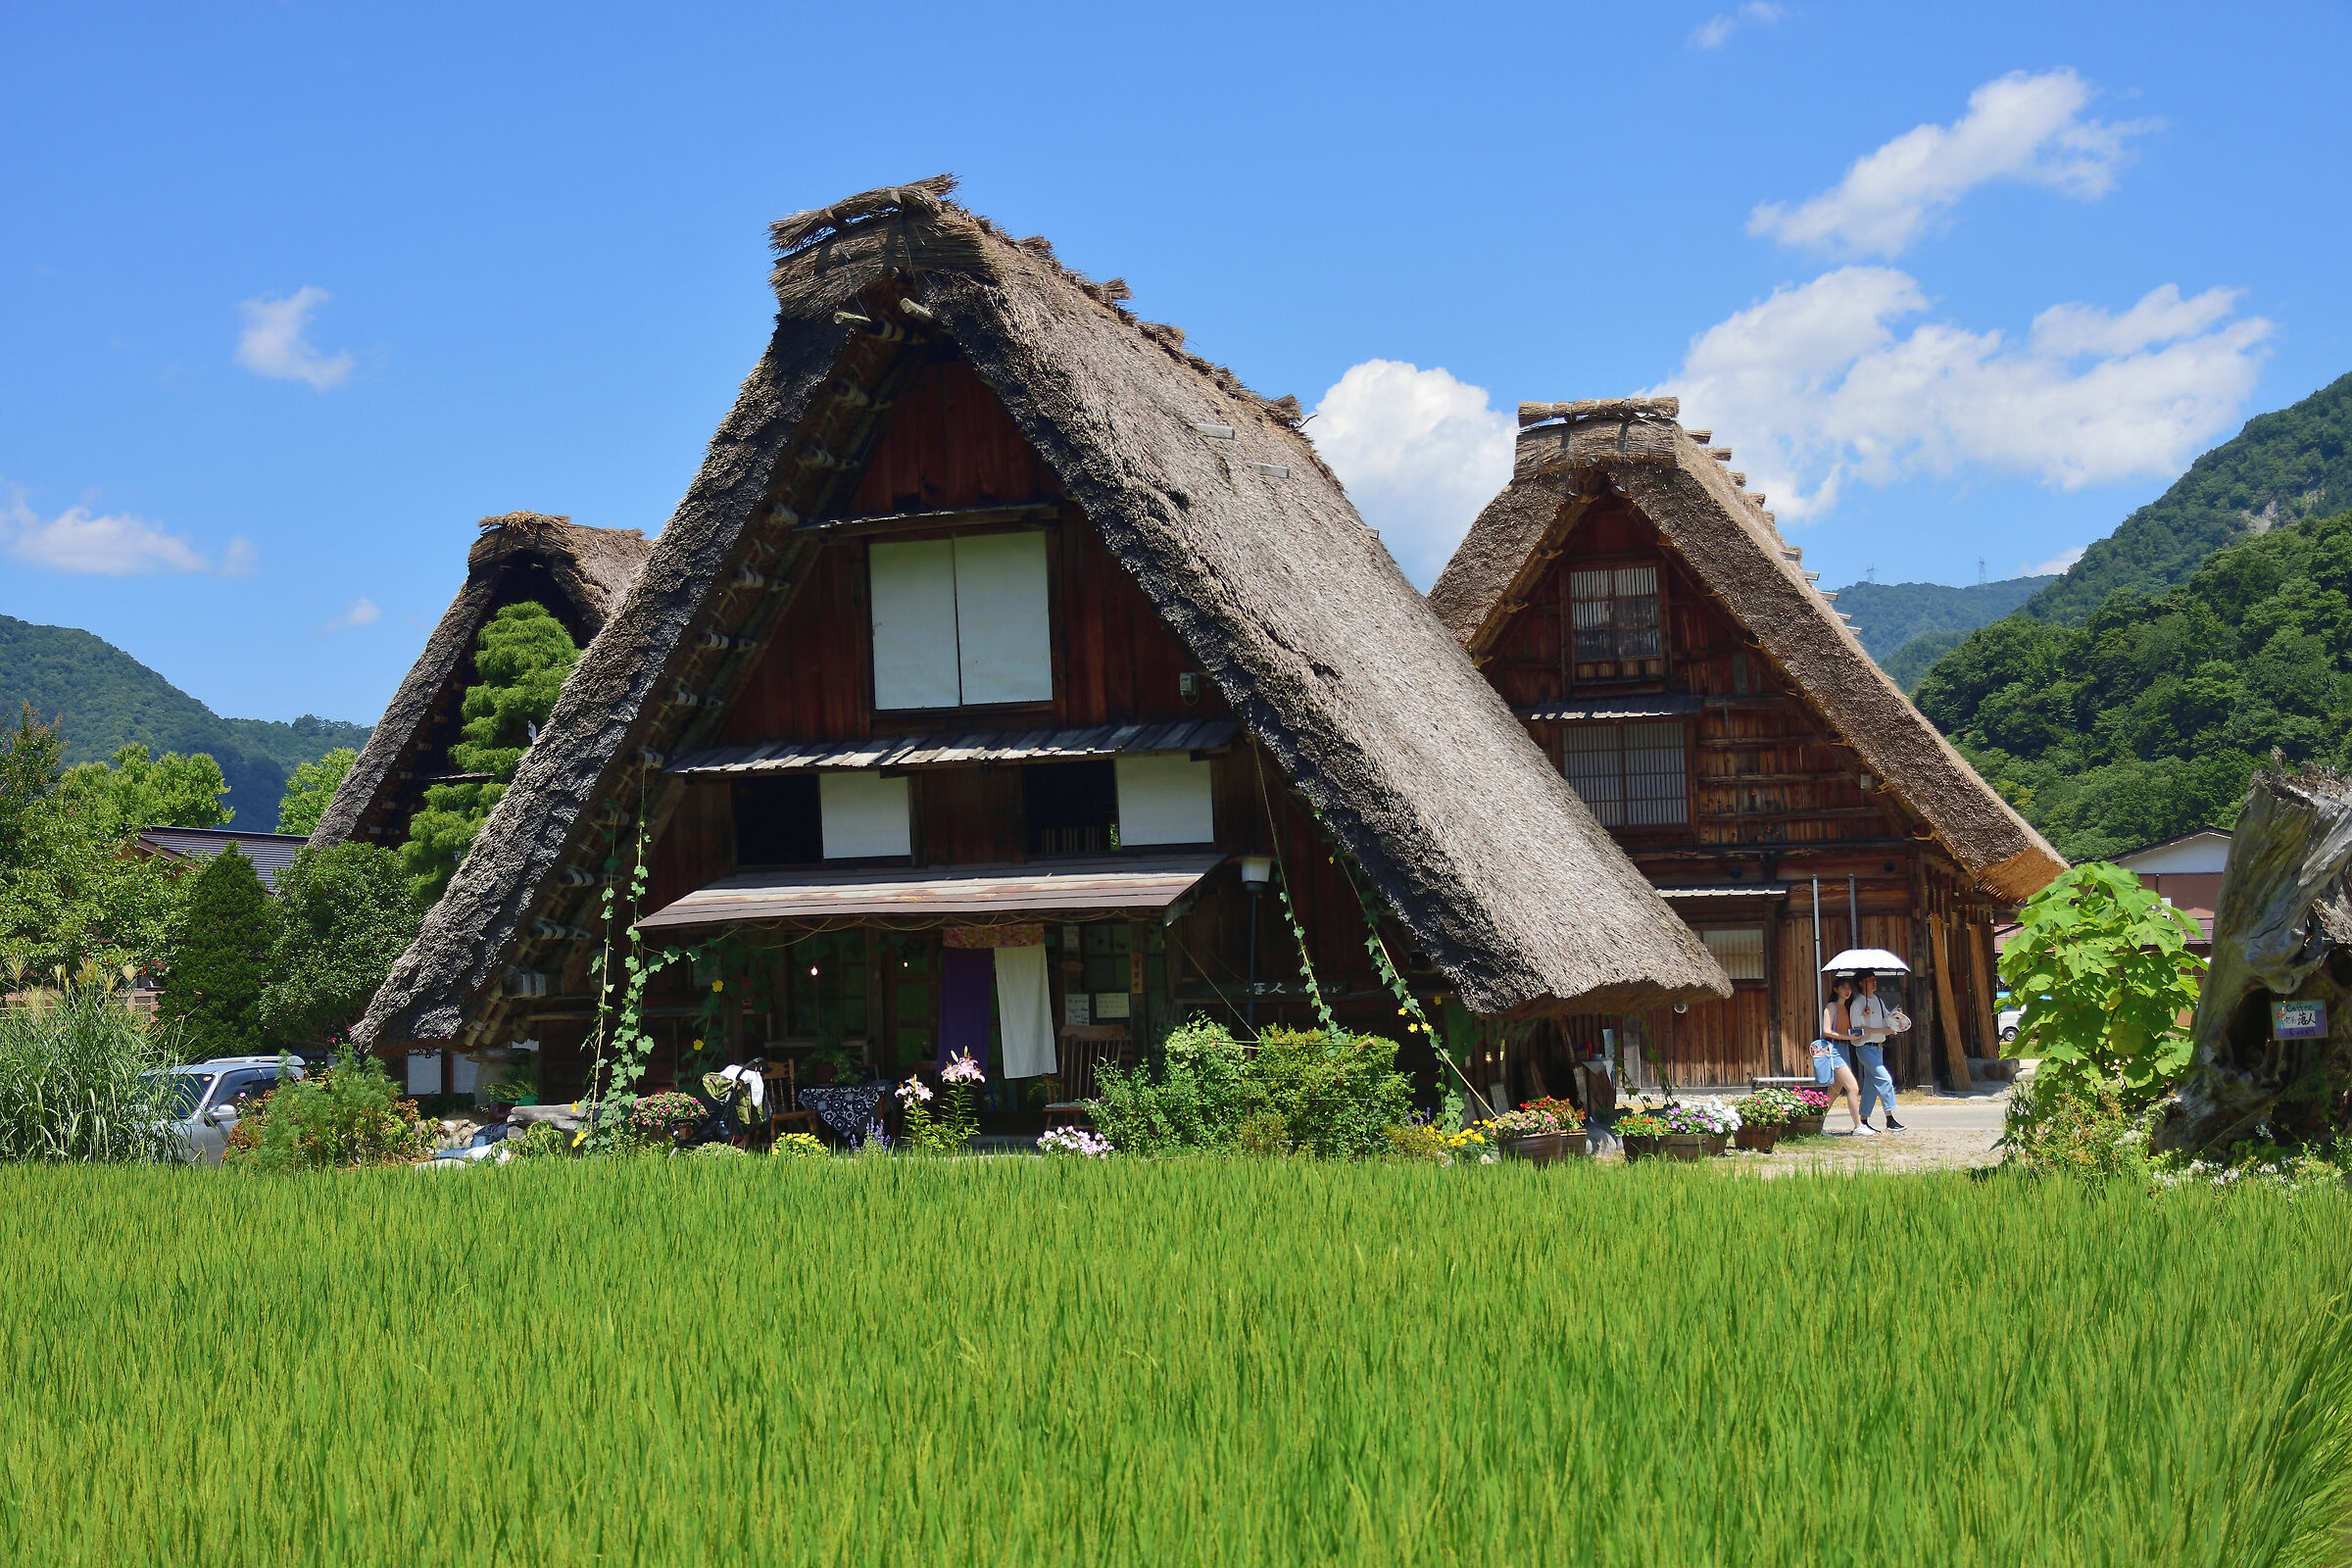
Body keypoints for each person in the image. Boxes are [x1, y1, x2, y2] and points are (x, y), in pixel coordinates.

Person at [1813, 978, 1873, 1137]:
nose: (1847, 991)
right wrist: (1848, 1038)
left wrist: (1865, 1016)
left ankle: (1816, 1125)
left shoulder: (1846, 1007)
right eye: (1843, 988)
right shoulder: (1831, 1007)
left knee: (1832, 1093)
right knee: (1853, 1088)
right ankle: (1858, 1126)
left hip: (1844, 1049)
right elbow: (1826, 1031)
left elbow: (1852, 1029)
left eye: (1849, 988)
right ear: (1835, 989)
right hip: (1834, 1050)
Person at [1848, 972, 1905, 1132]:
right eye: (1870, 980)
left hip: (1878, 1047)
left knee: (1871, 1086)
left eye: (1874, 980)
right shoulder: (1857, 1003)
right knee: (1884, 1078)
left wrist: (1897, 1017)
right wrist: (1882, 1029)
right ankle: (1890, 1119)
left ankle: (1864, 1120)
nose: (1874, 983)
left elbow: (1888, 1018)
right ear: (1861, 983)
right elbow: (1858, 1030)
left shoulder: (1878, 1000)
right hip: (1865, 1048)